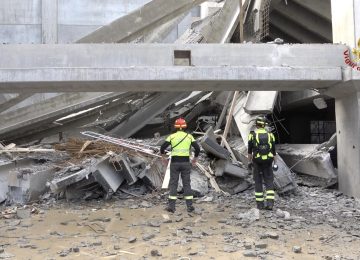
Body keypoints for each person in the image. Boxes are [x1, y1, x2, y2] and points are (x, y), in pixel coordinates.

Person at [160, 118, 200, 213]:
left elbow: (162, 148)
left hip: (175, 163)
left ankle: (172, 207)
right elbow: (197, 148)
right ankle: (189, 206)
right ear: (185, 126)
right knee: (187, 184)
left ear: (176, 126)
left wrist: (163, 158)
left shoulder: (172, 137)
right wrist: (195, 159)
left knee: (173, 184)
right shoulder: (189, 137)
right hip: (185, 163)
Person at [247, 117, 277, 210]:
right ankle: (270, 204)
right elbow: (274, 151)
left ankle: (260, 205)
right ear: (264, 125)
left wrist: (249, 162)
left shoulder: (252, 135)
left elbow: (249, 152)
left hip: (257, 161)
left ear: (256, 125)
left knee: (258, 181)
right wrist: (275, 163)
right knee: (269, 181)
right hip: (268, 161)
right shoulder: (270, 135)